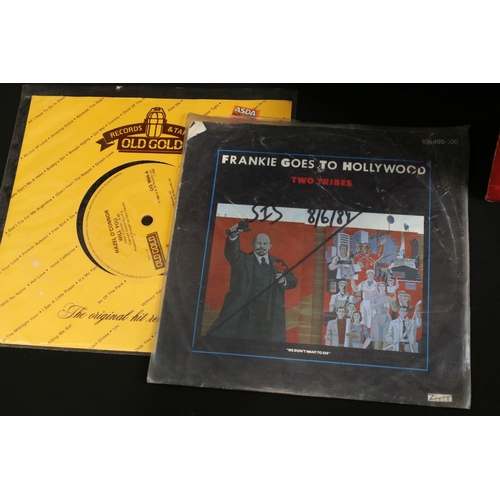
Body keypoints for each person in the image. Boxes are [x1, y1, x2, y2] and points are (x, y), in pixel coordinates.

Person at [206, 224, 297, 342]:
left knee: (266, 342)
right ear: (252, 245)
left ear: (270, 245)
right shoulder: (243, 260)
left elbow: (292, 279)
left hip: (269, 313)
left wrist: (284, 280)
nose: (262, 246)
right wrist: (233, 238)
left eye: (265, 244)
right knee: (241, 341)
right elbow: (233, 254)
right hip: (245, 313)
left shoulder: (277, 263)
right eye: (258, 243)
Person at [370, 281, 394, 350]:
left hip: (386, 317)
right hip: (377, 318)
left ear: (386, 287)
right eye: (380, 286)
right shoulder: (374, 297)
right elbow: (372, 307)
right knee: (377, 337)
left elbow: (394, 309)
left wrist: (392, 302)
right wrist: (382, 302)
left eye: (383, 286)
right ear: (378, 287)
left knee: (385, 337)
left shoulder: (389, 297)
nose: (381, 287)